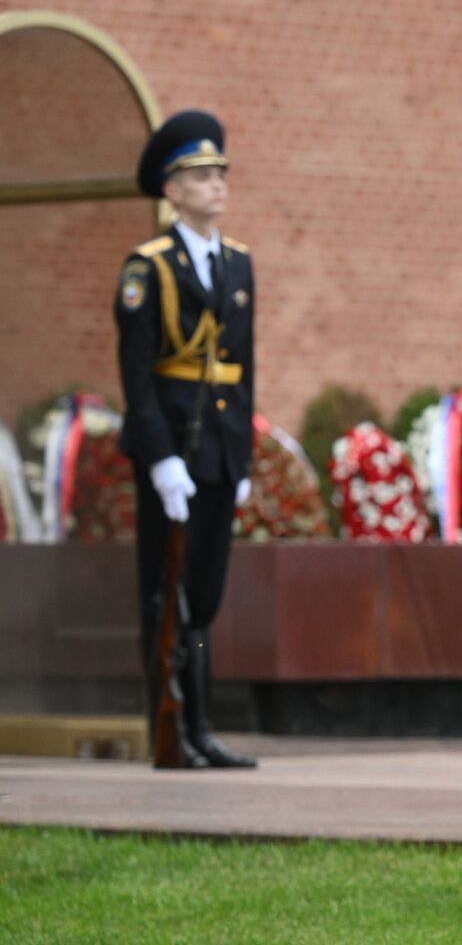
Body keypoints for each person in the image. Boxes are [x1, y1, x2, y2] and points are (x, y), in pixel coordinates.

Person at [113, 109, 256, 769]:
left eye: (219, 172)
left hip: (220, 447)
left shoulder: (238, 263)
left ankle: (201, 726)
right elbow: (137, 378)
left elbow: (245, 365)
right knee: (164, 592)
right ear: (172, 191)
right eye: (201, 175)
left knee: (204, 595)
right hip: (173, 446)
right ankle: (169, 728)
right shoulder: (149, 268)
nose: (216, 184)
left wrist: (245, 456)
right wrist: (161, 457)